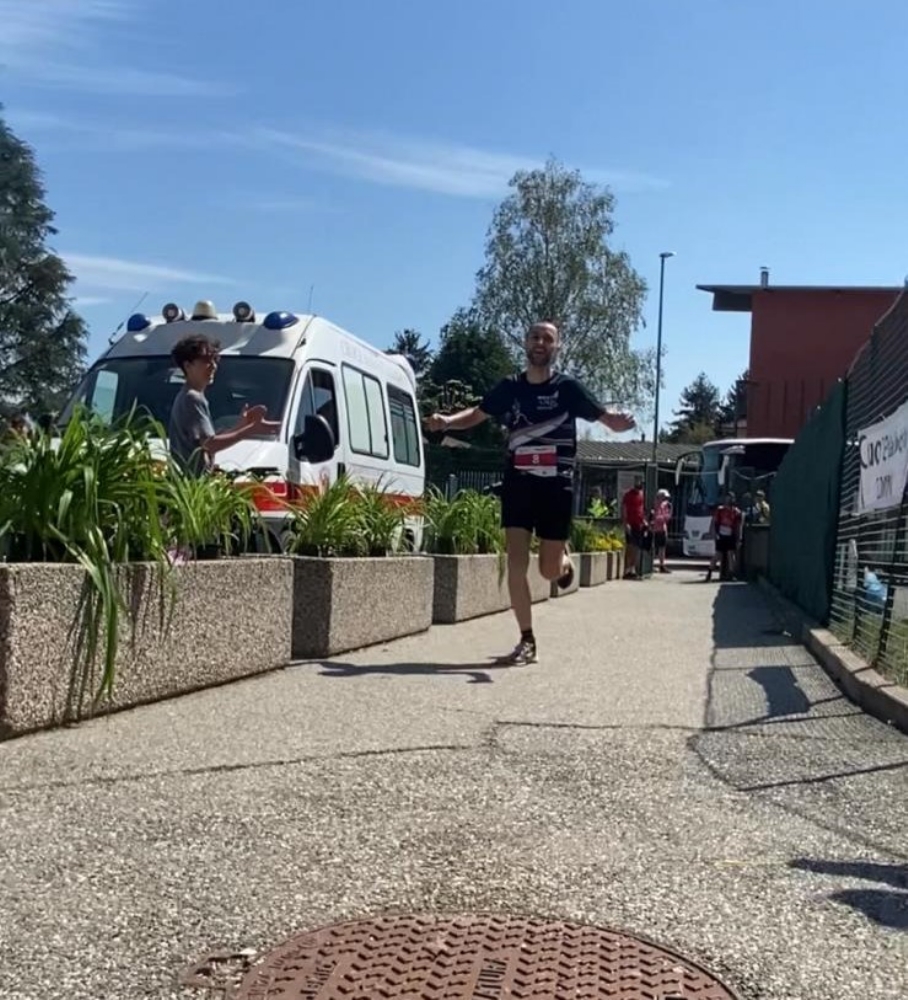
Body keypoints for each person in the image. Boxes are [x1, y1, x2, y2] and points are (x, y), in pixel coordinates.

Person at [425, 321, 634, 664]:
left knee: (548, 571)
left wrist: (618, 420)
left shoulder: (568, 389)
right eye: (535, 337)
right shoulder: (509, 387)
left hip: (556, 485)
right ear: (525, 343)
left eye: (548, 339)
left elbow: (604, 417)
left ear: (556, 348)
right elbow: (476, 414)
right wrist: (447, 421)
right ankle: (527, 638)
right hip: (519, 481)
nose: (540, 342)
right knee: (516, 562)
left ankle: (562, 560)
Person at [168, 334, 280, 476]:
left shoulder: (189, 395)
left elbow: (207, 442)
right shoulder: (192, 398)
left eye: (215, 360)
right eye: (206, 360)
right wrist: (249, 431)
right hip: (193, 485)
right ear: (188, 365)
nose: (214, 366)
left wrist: (241, 426)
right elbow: (210, 444)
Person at [706, 491, 743, 582]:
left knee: (731, 555)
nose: (728, 500)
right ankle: (709, 573)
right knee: (718, 555)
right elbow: (714, 522)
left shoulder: (736, 512)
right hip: (721, 535)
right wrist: (714, 533)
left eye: (730, 498)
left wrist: (739, 538)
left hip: (730, 535)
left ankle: (731, 574)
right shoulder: (720, 510)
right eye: (727, 497)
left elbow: (738, 526)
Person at [621, 477, 647, 579]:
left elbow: (641, 509)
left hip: (639, 524)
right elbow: (624, 509)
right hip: (630, 524)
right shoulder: (628, 495)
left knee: (636, 548)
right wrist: (625, 523)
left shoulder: (641, 495)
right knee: (630, 547)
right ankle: (627, 570)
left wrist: (644, 521)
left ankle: (632, 569)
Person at [651, 487, 673, 573]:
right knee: (653, 548)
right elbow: (656, 518)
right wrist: (663, 518)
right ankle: (651, 565)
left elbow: (667, 517)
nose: (664, 499)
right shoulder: (655, 505)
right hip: (655, 529)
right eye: (663, 497)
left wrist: (668, 514)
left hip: (662, 529)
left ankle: (662, 565)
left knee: (662, 548)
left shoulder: (665, 505)